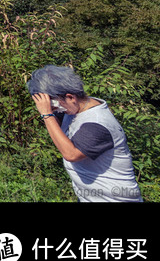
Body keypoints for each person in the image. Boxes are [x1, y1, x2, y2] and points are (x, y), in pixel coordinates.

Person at [29, 65, 142, 202]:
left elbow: (71, 154)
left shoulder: (97, 123)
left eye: (54, 106)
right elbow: (59, 128)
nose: (55, 111)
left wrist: (46, 114)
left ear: (71, 97)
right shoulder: (74, 109)